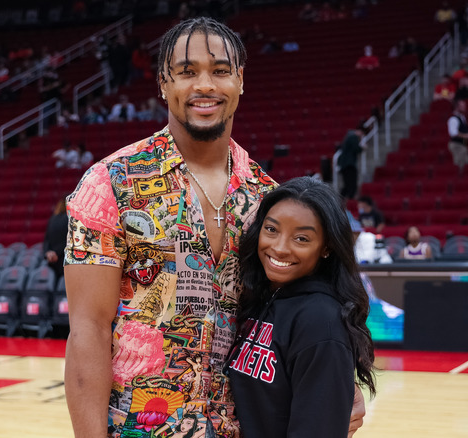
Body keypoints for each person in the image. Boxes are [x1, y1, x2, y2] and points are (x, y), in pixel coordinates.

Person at [64, 17, 364, 438]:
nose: (205, 85)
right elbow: (88, 331)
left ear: (240, 81)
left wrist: (338, 381)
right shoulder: (110, 184)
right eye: (187, 72)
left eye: (220, 71)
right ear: (162, 85)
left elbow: (306, 312)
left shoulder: (268, 199)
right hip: (138, 428)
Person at [228, 177, 376, 437]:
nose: (280, 248)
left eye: (301, 238)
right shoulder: (261, 299)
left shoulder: (322, 322)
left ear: (327, 247)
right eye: (272, 230)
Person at [43, 197, 68, 279]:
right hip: (64, 257)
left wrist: (48, 253)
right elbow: (69, 240)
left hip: (52, 259)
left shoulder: (52, 219)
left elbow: (46, 240)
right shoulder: (70, 219)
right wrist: (57, 253)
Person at [447, 99, 468, 171]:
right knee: (460, 165)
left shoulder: (462, 118)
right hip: (457, 145)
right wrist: (466, 136)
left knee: (466, 163)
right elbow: (453, 133)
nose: (465, 107)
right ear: (457, 107)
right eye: (462, 106)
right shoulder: (453, 119)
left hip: (463, 144)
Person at [336, 128, 363, 199]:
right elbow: (356, 148)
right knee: (351, 185)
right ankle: (349, 200)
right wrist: (362, 148)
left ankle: (340, 199)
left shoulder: (348, 137)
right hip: (349, 165)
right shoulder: (353, 137)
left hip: (345, 165)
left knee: (347, 185)